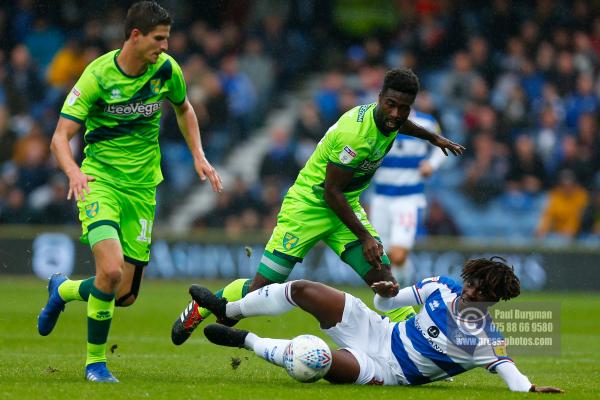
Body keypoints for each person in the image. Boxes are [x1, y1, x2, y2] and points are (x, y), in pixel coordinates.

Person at [171, 68, 464, 345]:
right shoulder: (356, 136)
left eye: (404, 108)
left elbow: (397, 125)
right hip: (309, 207)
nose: (397, 114)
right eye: (391, 105)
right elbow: (330, 193)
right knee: (260, 291)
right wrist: (365, 237)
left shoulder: (389, 119)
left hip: (343, 207)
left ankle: (416, 346)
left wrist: (432, 137)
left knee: (385, 280)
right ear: (379, 99)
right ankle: (201, 307)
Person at [37, 1, 222, 382]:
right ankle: (95, 365)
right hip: (99, 181)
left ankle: (64, 290)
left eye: (167, 39)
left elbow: (184, 109)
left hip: (142, 189)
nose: (165, 47)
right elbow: (60, 136)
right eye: (159, 39)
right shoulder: (98, 76)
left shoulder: (167, 71)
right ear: (135, 36)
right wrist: (73, 171)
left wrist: (198, 155)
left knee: (123, 295)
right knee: (108, 270)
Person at [192, 257, 562, 393]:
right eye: (472, 282)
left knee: (313, 360)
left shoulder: (483, 339)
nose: (470, 291)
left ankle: (246, 340)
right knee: (304, 289)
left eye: (480, 291)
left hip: (387, 370)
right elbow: (384, 305)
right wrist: (387, 292)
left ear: (492, 300)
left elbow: (510, 372)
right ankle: (229, 307)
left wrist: (530, 389)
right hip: (377, 330)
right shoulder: (440, 287)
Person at [369, 108, 446, 285]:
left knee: (398, 255)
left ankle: (402, 285)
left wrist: (431, 165)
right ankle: (398, 294)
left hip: (408, 199)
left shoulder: (426, 123)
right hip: (380, 199)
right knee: (384, 256)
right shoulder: (375, 121)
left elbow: (441, 146)